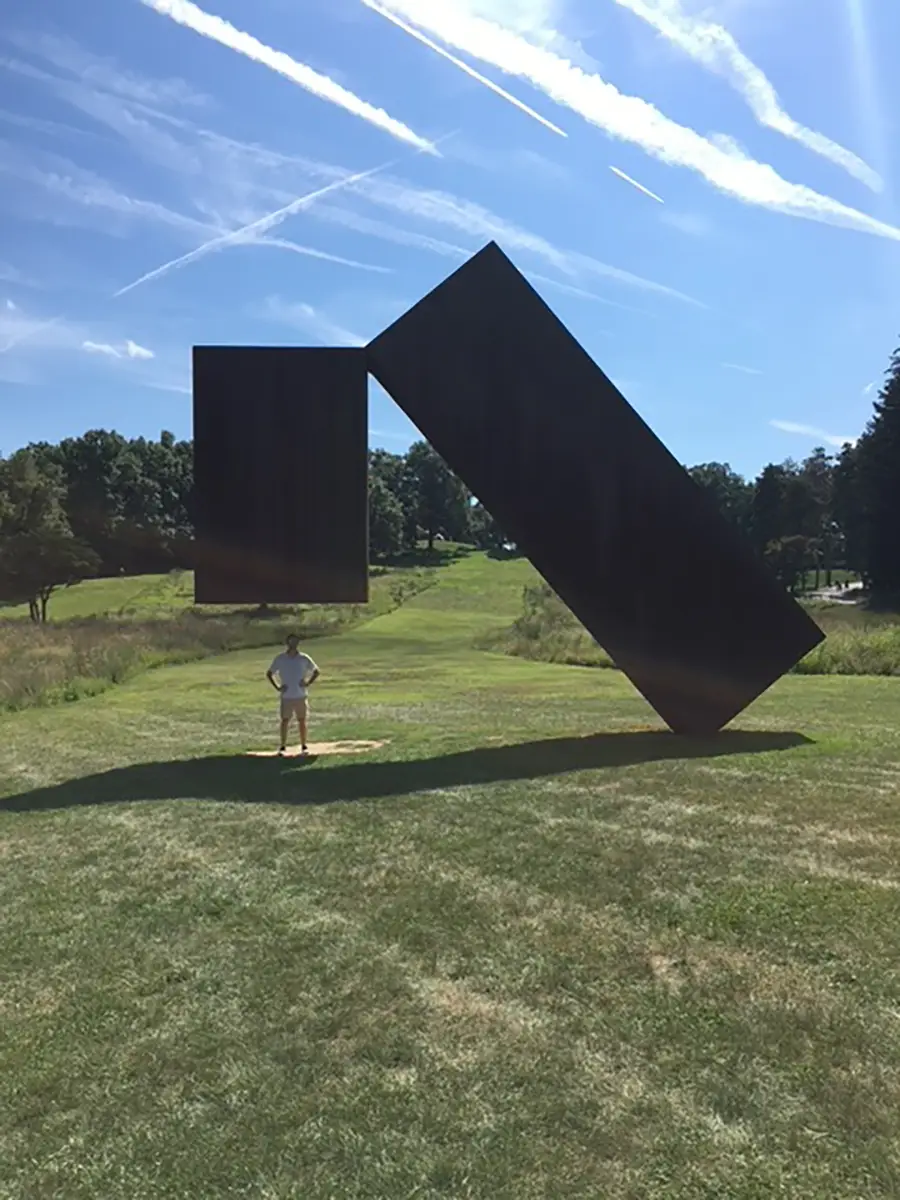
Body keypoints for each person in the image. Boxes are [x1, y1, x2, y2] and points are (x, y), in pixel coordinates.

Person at [266, 634, 320, 755]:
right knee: (285, 720)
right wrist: (278, 687)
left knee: (302, 720)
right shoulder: (280, 658)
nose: (293, 644)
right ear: (287, 643)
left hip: (300, 695)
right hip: (287, 696)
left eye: (295, 641)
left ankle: (304, 745)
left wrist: (307, 683)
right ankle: (283, 746)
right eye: (291, 641)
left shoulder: (303, 658)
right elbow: (269, 673)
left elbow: (316, 671)